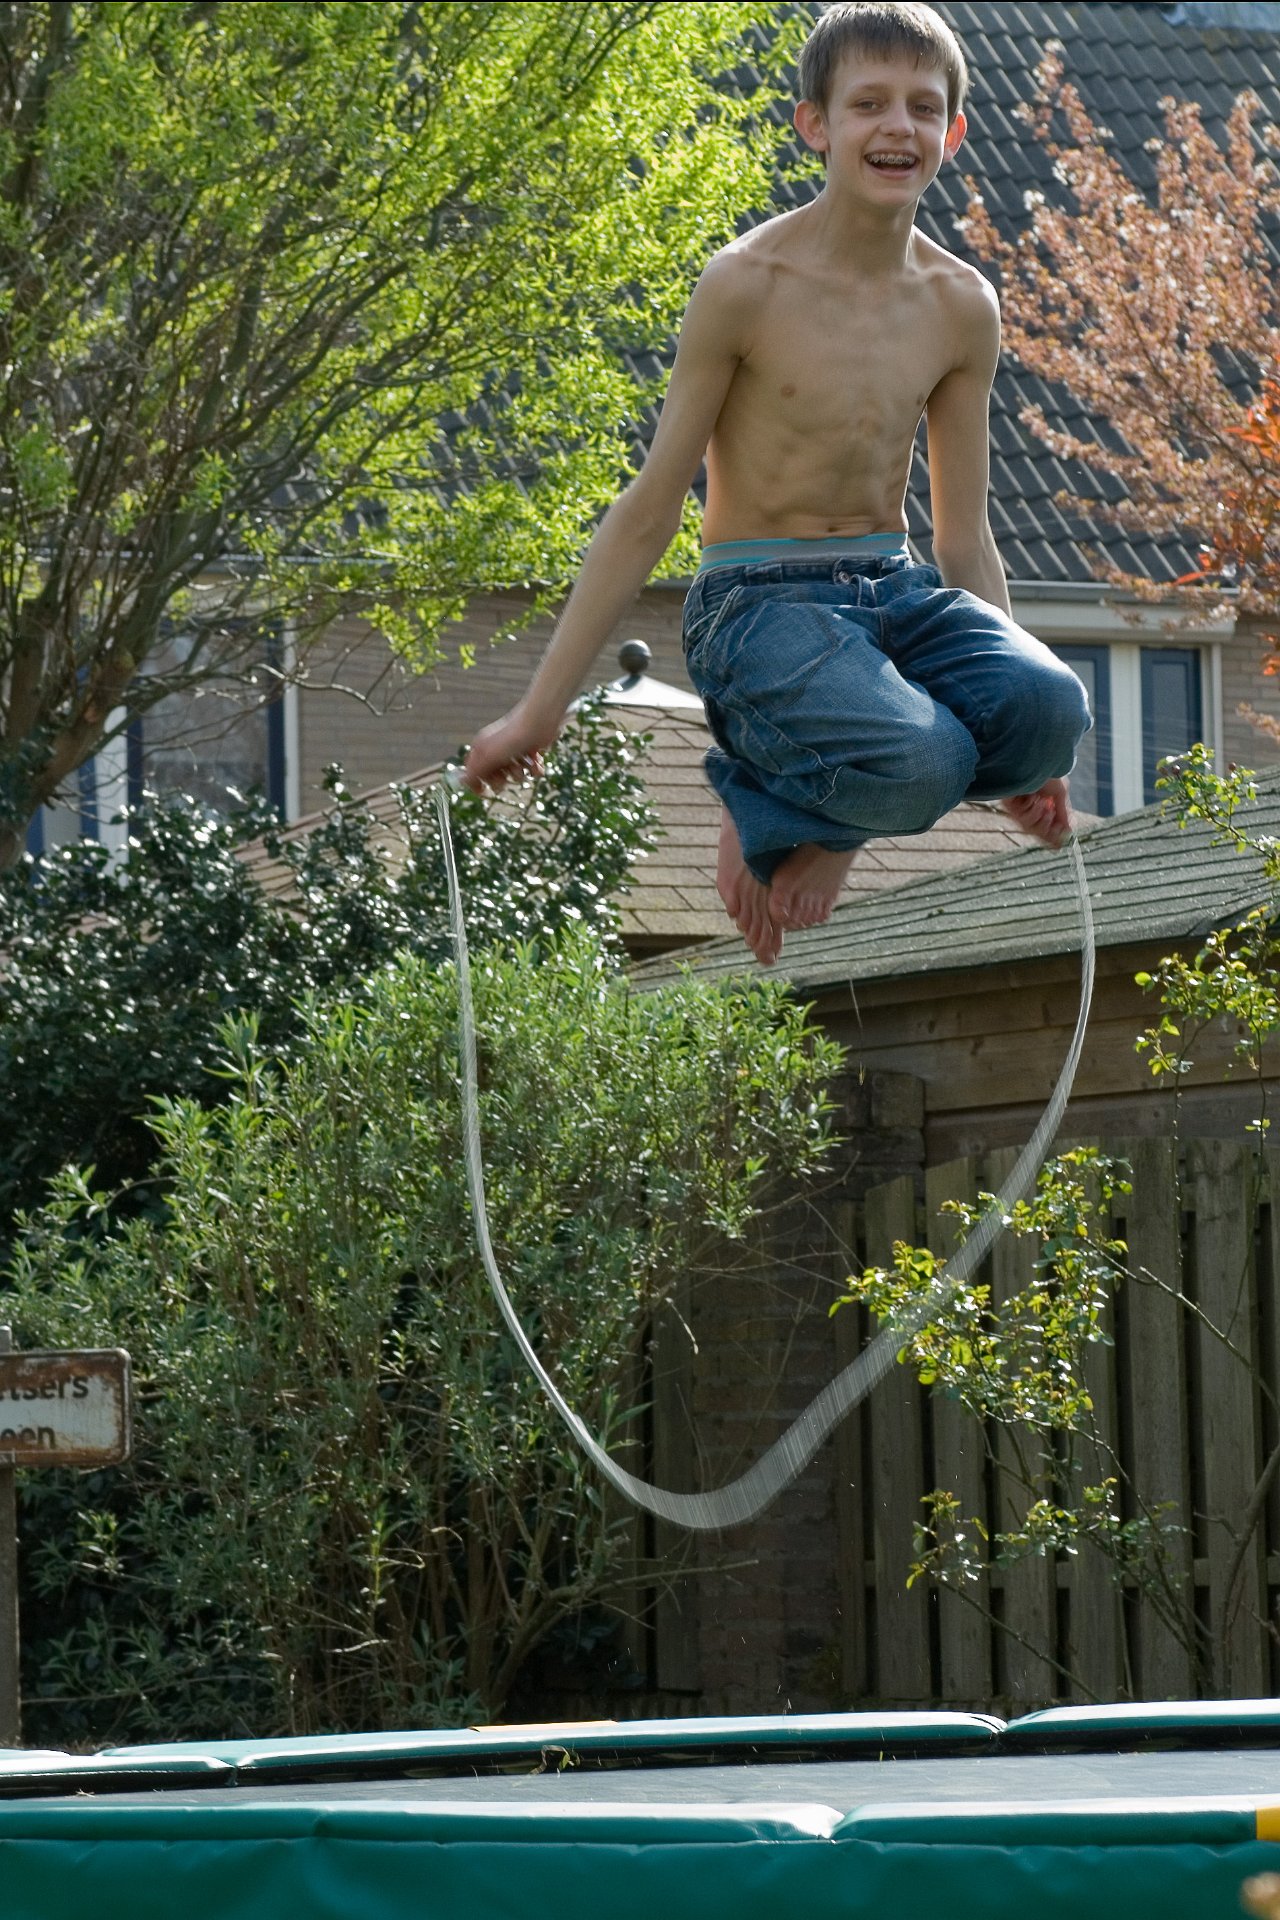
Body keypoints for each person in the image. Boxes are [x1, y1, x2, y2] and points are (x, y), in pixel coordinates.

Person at [463, 0, 1090, 966]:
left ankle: (814, 797)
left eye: (923, 107)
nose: (897, 126)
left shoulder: (962, 304)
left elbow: (964, 538)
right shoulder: (746, 283)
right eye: (868, 103)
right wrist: (537, 713)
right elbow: (649, 510)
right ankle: (770, 791)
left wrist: (1025, 746)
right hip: (754, 608)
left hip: (891, 589)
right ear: (815, 124)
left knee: (1055, 709)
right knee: (927, 763)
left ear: (954, 132)